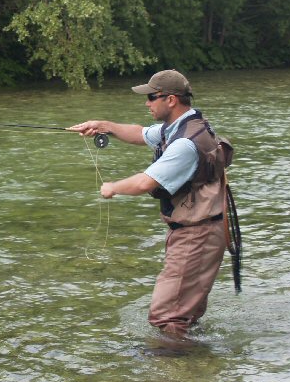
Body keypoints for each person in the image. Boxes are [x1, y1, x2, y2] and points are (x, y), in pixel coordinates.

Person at [67, 69, 232, 338]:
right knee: (182, 313)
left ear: (171, 100)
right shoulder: (184, 125)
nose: (147, 103)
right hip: (199, 231)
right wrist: (103, 125)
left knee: (166, 316)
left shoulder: (184, 144)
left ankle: (173, 372)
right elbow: (141, 133)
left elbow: (145, 183)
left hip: (197, 235)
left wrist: (112, 188)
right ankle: (193, 365)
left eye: (152, 97)